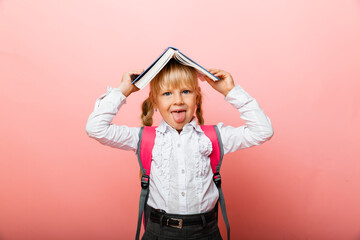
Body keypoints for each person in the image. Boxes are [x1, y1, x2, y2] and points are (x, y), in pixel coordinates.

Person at [86, 58, 273, 239]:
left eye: (186, 91)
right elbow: (96, 128)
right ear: (155, 101)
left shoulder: (214, 137)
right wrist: (123, 90)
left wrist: (231, 91)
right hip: (158, 232)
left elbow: (262, 131)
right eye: (167, 93)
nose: (178, 100)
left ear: (197, 97)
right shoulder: (143, 139)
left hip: (205, 233)